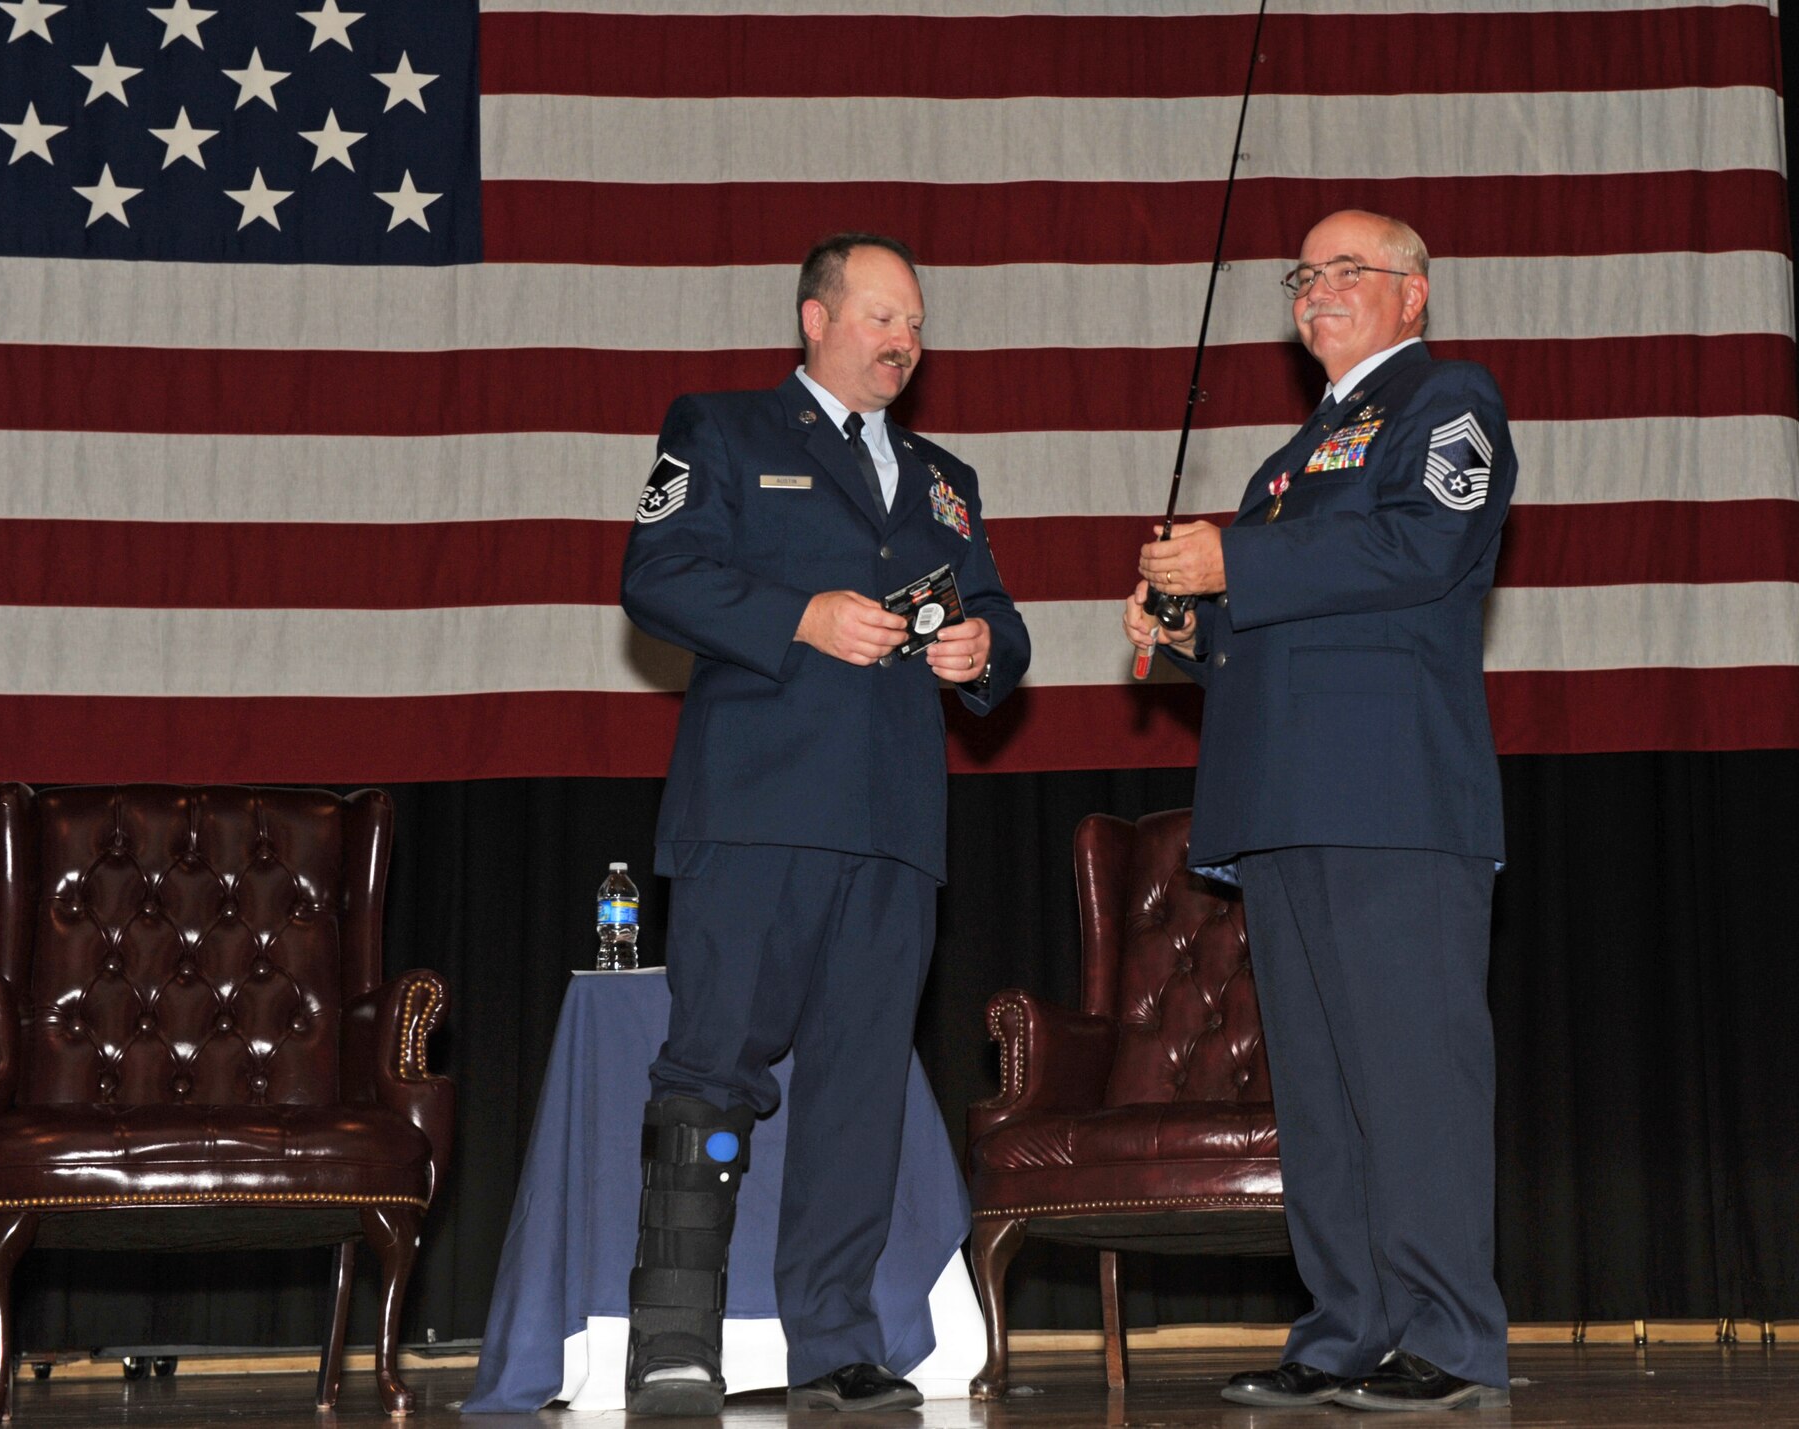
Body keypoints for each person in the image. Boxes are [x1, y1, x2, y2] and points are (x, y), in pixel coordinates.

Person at [619, 233, 1030, 1416]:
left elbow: (998, 618)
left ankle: (836, 1342)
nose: (903, 342)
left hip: (894, 828)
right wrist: (798, 616)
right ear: (815, 318)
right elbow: (657, 573)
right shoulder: (722, 429)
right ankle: (673, 1339)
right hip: (757, 811)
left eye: (915, 325)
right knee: (711, 1071)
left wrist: (980, 650)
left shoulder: (943, 477)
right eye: (880, 317)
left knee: (858, 1092)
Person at [1126, 210, 1515, 1413]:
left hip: (1390, 797)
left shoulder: (1447, 401)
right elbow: (1279, 635)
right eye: (1303, 274)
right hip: (1282, 802)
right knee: (1320, 1094)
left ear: (1412, 293)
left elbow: (1421, 548)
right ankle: (1345, 1327)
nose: (1318, 288)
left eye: (1348, 268)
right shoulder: (1289, 463)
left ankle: (1448, 1337)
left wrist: (1233, 564)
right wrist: (1189, 627)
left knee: (1410, 1077)